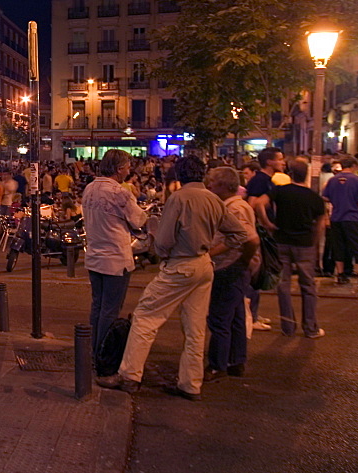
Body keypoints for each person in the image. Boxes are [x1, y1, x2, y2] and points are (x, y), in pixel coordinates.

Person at [97, 156, 248, 401]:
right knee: (195, 328)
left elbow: (164, 240)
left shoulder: (179, 198)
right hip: (204, 265)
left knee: (146, 317)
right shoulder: (214, 200)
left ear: (179, 175)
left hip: (180, 264)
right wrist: (211, 250)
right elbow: (239, 234)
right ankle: (190, 384)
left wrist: (164, 254)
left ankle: (129, 375)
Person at [81, 149, 148, 368]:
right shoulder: (120, 193)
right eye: (128, 166)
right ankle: (103, 354)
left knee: (97, 306)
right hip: (116, 259)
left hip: (94, 255)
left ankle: (92, 350)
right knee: (110, 309)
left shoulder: (89, 189)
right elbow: (138, 220)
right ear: (119, 169)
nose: (130, 170)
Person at [256, 158, 326, 338]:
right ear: (307, 175)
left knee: (283, 284)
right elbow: (320, 224)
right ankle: (310, 328)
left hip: (282, 241)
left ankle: (288, 327)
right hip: (304, 244)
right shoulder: (314, 197)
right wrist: (314, 241)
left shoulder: (280, 191)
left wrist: (267, 223)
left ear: (290, 173)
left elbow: (258, 204)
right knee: (308, 286)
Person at [203, 167, 259, 381]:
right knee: (235, 316)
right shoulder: (231, 205)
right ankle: (236, 361)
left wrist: (242, 261)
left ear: (226, 186)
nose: (209, 186)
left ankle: (218, 365)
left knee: (219, 318)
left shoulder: (235, 208)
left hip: (229, 267)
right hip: (232, 266)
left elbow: (251, 239)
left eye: (214, 182)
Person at [245, 147, 286, 331]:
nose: (283, 162)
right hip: (258, 232)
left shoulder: (267, 180)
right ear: (269, 162)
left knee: (259, 273)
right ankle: (250, 317)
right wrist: (266, 223)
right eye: (280, 159)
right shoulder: (260, 181)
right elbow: (253, 204)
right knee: (255, 273)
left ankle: (253, 313)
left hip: (260, 231)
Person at [321, 156, 358, 286]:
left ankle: (340, 274)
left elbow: (325, 197)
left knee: (339, 246)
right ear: (354, 166)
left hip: (336, 217)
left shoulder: (332, 180)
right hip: (353, 217)